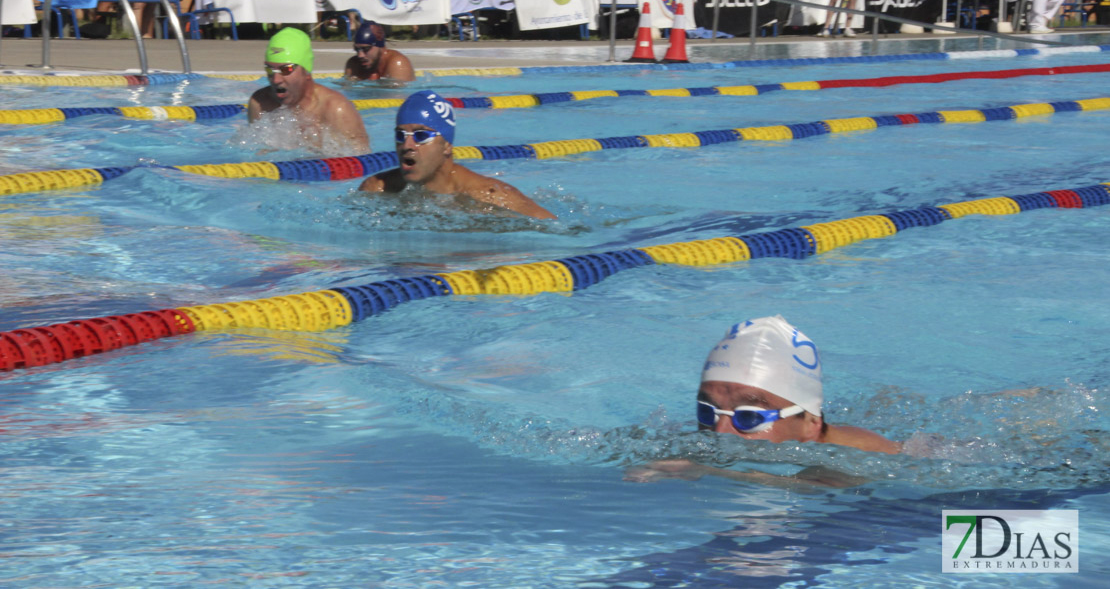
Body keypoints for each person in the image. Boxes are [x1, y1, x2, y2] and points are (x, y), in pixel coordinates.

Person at [626, 315, 901, 488]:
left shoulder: (868, 455)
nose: (720, 433)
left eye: (749, 417)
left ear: (811, 422)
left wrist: (707, 470)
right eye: (707, 412)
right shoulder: (715, 429)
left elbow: (821, 485)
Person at [358, 91, 556, 220]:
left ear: (446, 145)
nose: (407, 145)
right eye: (400, 135)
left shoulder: (488, 196)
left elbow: (559, 230)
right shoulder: (378, 188)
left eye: (421, 136)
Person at [247, 27, 369, 154]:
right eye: (270, 69)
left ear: (306, 72)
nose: (276, 79)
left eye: (286, 69)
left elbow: (361, 163)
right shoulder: (260, 104)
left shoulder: (336, 110)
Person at [344, 21, 416, 84]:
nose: (360, 55)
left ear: (380, 46)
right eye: (357, 49)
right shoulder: (354, 64)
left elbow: (397, 96)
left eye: (366, 49)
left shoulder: (397, 62)